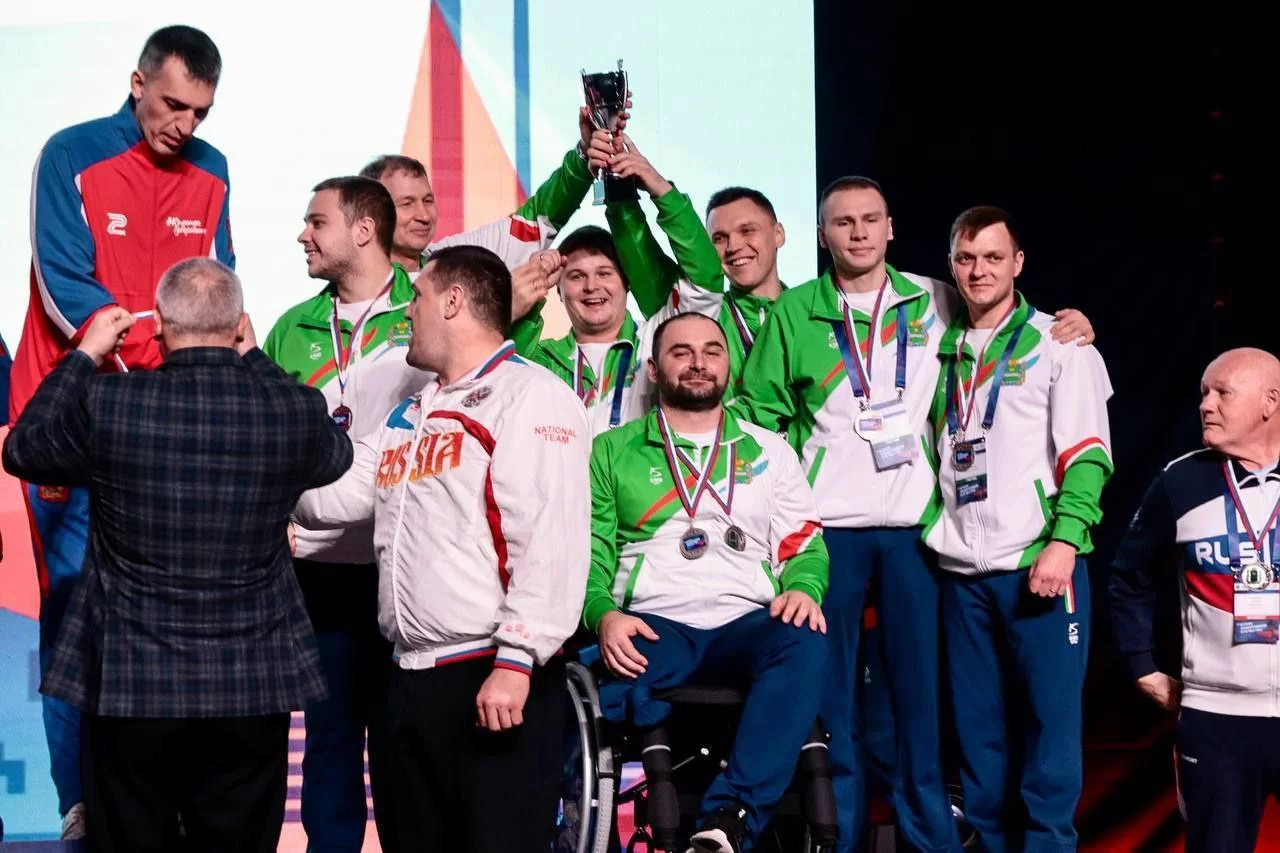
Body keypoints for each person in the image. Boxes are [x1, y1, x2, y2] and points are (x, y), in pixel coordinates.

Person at [735, 179, 1095, 853]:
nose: (858, 232)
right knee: (832, 696)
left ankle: (931, 839)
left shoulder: (935, 299)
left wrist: (1067, 324)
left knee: (921, 700)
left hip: (918, 532)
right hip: (829, 532)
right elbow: (758, 420)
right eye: (843, 222)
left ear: (891, 227)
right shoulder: (795, 312)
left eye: (870, 219)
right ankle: (836, 834)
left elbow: (1005, 316)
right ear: (822, 235)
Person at [1, 258, 352, 853]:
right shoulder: (288, 410)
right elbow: (335, 453)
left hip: (132, 687)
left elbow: (25, 448)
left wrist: (84, 355)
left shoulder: (111, 402)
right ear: (238, 325)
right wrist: (255, 357)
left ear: (159, 324)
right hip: (249, 690)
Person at [4, 25, 233, 837]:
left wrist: (215, 356)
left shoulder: (213, 169)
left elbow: (217, 280)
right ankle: (78, 803)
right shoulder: (70, 153)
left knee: (170, 614)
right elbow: (65, 287)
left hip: (165, 424)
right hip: (71, 421)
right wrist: (159, 366)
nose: (183, 124)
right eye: (172, 104)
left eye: (199, 112)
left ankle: (156, 802)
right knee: (73, 615)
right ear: (138, 84)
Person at [293, 245, 590, 852]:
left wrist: (516, 661)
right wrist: (259, 468)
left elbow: (551, 541)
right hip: (406, 677)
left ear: (454, 301)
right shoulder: (411, 413)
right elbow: (332, 498)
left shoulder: (531, 395)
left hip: (491, 674)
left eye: (419, 298)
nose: (408, 312)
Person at [585, 312, 829, 853]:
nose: (698, 362)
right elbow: (591, 553)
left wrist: (803, 588)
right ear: (654, 369)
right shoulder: (611, 450)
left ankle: (728, 817)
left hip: (746, 623)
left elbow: (804, 544)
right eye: (681, 352)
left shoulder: (770, 450)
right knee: (597, 670)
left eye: (712, 351)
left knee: (805, 638)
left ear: (729, 366)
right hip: (654, 625)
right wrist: (603, 614)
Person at [921, 207, 1113, 852]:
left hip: (1040, 566)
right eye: (966, 258)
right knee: (979, 732)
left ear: (1018, 263)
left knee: (1049, 730)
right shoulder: (937, 348)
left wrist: (1064, 540)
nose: (979, 271)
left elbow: (1088, 455)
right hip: (960, 574)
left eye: (993, 258)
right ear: (951, 266)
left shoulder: (1059, 343)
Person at [1111, 348, 1280, 853]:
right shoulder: (1180, 482)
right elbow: (1129, 576)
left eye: (1223, 392)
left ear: (1270, 402)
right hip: (1216, 717)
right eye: (1204, 393)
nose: (1206, 405)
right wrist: (1140, 664)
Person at [511, 204, 724, 436]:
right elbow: (504, 371)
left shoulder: (656, 340)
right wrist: (535, 282)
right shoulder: (543, 359)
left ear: (626, 282)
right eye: (577, 276)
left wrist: (661, 195)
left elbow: (704, 282)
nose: (591, 286)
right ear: (559, 291)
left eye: (604, 273)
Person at [601, 147, 785, 398]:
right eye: (719, 238)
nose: (733, 246)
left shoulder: (808, 311)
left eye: (747, 231)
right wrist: (620, 187)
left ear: (778, 234)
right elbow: (639, 252)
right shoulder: (695, 309)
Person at [358, 103, 622, 278]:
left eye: (428, 201)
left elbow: (535, 219)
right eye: (406, 203)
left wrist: (584, 154)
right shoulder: (348, 291)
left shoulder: (454, 263)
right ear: (371, 215)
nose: (424, 215)